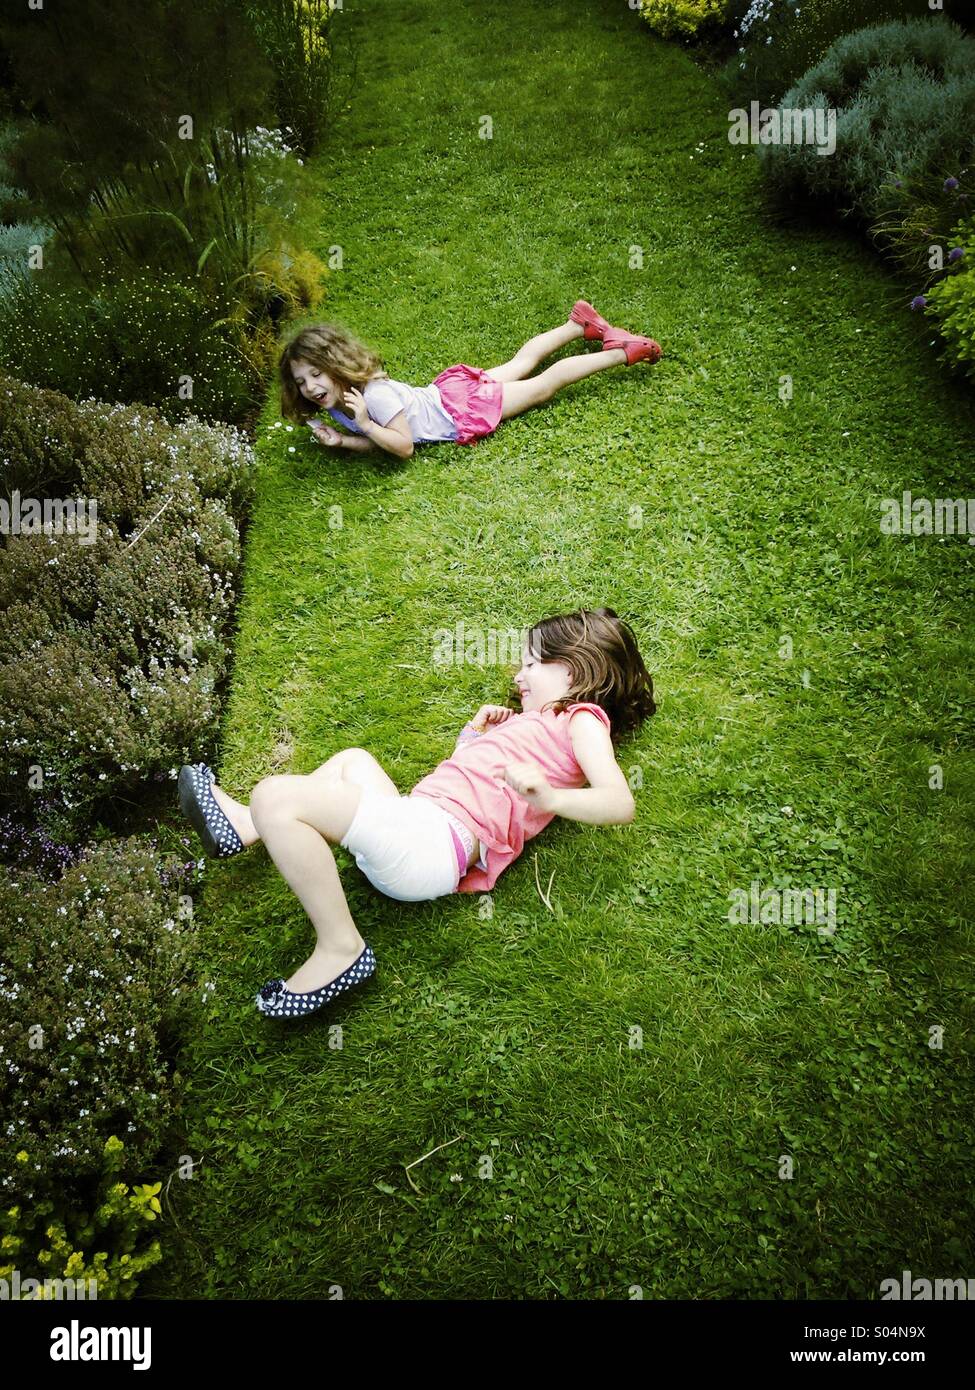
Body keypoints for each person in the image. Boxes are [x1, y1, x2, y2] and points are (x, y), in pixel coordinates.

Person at [177, 607, 656, 1020]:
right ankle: (244, 826)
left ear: (572, 672)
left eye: (530, 663)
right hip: (420, 825)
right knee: (354, 761)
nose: (517, 674)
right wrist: (474, 738)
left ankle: (340, 946)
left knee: (276, 796)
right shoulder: (533, 723)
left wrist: (549, 799)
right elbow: (468, 779)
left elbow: (619, 801)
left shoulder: (583, 719)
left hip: (429, 843)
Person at [278, 303, 662, 457]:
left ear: (336, 366)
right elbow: (378, 442)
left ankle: (620, 351)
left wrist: (362, 425)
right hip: (450, 396)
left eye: (316, 374)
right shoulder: (341, 402)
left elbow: (402, 447)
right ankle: (578, 324)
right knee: (519, 363)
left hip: (459, 410)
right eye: (300, 381)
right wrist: (343, 439)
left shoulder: (373, 398)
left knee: (543, 386)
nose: (310, 387)